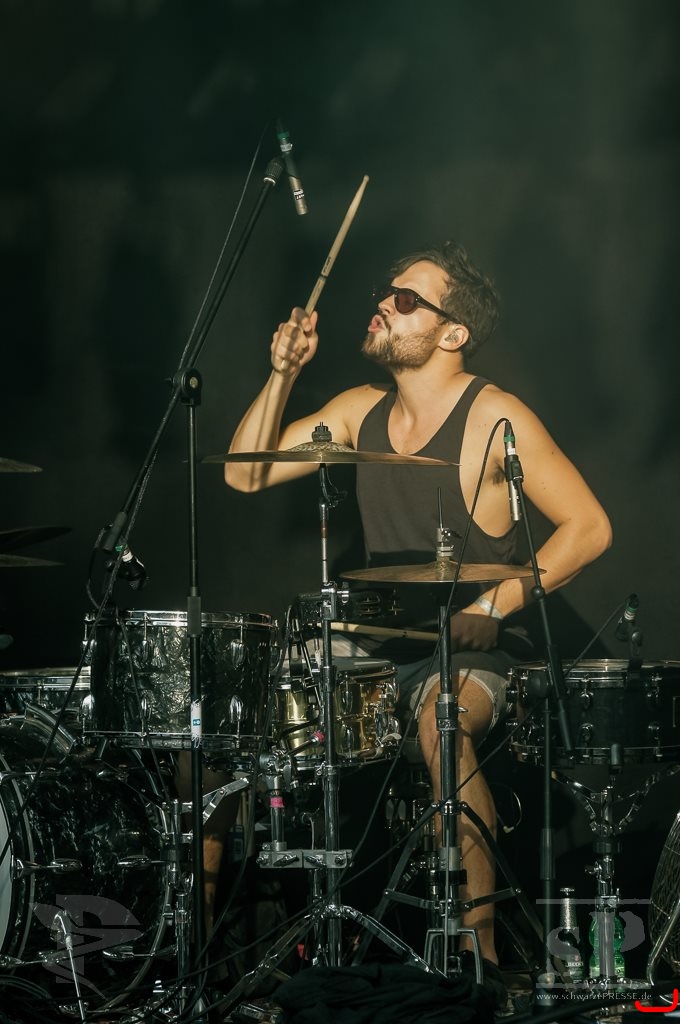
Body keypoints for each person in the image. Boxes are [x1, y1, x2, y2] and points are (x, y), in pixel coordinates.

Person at [223, 241, 612, 988]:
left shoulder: (494, 416)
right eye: (386, 293)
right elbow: (246, 474)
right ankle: (212, 971)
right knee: (234, 719)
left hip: (471, 651)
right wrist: (282, 372)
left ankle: (478, 962)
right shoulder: (356, 410)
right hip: (379, 649)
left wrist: (493, 605)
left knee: (443, 724)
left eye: (407, 300)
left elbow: (589, 528)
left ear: (452, 332)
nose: (384, 304)